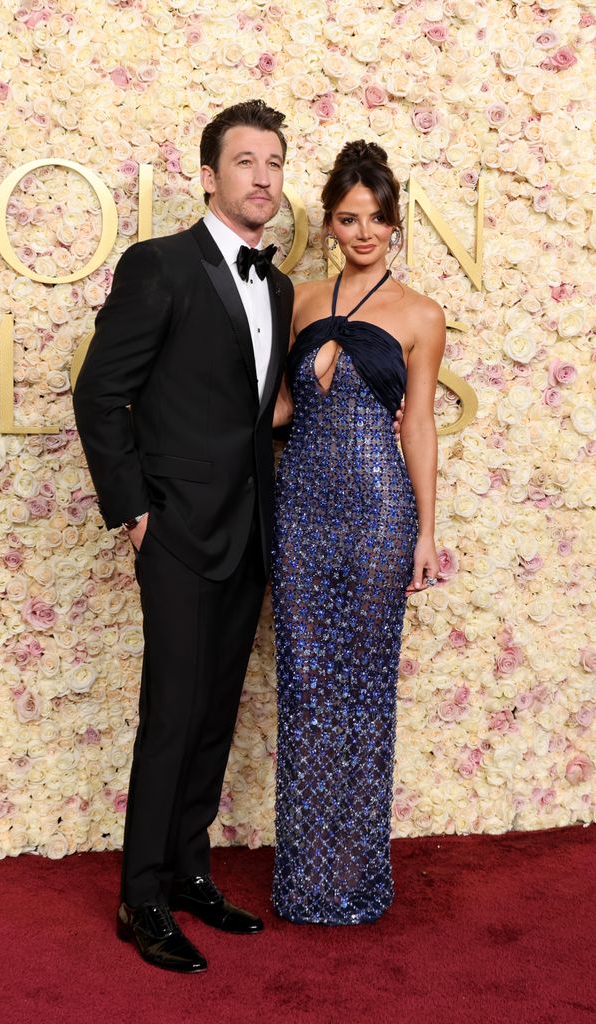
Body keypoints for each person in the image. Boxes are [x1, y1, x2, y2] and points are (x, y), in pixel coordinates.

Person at [73, 100, 294, 972]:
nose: (263, 177)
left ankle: (190, 872)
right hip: (173, 532)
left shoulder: (275, 285)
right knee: (170, 715)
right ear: (210, 176)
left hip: (249, 533)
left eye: (274, 162)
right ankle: (141, 897)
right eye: (245, 162)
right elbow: (100, 393)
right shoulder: (159, 265)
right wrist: (134, 511)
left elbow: (248, 413)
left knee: (212, 715)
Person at [271, 140, 445, 925]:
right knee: (306, 686)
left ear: (394, 222)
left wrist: (426, 531)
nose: (364, 231)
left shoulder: (420, 314)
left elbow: (421, 428)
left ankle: (355, 878)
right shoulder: (301, 299)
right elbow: (275, 410)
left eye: (377, 219)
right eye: (349, 218)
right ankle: (307, 882)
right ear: (331, 223)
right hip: (300, 506)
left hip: (379, 510)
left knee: (365, 693)